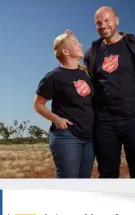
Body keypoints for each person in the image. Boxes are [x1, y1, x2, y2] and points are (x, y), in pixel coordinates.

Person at [83, 6, 135, 178]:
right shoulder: (92, 53)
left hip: (134, 120)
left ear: (117, 21)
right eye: (99, 23)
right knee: (107, 175)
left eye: (107, 20)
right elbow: (87, 85)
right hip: (104, 124)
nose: (103, 25)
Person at [33, 30, 95, 178]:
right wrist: (56, 119)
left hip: (89, 137)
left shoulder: (86, 73)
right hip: (67, 137)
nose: (80, 44)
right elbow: (38, 105)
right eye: (75, 43)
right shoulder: (54, 77)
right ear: (66, 51)